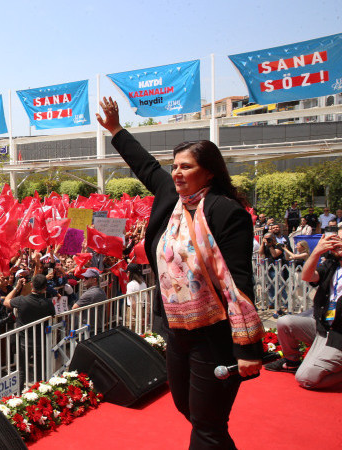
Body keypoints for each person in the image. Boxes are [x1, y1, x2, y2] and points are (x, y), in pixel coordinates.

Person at [97, 96, 263, 449]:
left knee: (207, 425)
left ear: (210, 171)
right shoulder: (168, 197)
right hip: (175, 330)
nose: (176, 173)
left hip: (215, 334)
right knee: (189, 409)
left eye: (186, 167)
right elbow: (144, 164)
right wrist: (115, 128)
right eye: (174, 166)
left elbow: (239, 281)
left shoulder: (226, 213)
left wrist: (247, 347)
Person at [264, 233, 342, 389]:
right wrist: (316, 252)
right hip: (323, 328)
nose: (336, 243)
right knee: (285, 321)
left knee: (305, 378)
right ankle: (292, 361)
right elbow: (307, 276)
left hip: (339, 334)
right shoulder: (333, 264)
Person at [4, 274, 56, 389]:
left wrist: (16, 288)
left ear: (31, 285)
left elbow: (6, 301)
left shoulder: (22, 301)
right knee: (40, 371)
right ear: (45, 287)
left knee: (21, 370)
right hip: (41, 342)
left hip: (25, 342)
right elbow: (53, 314)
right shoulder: (48, 303)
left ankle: (18, 395)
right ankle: (40, 395)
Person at [125, 263, 148, 331]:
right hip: (142, 309)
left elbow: (133, 302)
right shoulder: (143, 283)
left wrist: (138, 315)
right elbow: (148, 299)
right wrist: (147, 314)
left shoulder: (130, 285)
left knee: (132, 334)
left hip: (133, 311)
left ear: (129, 272)